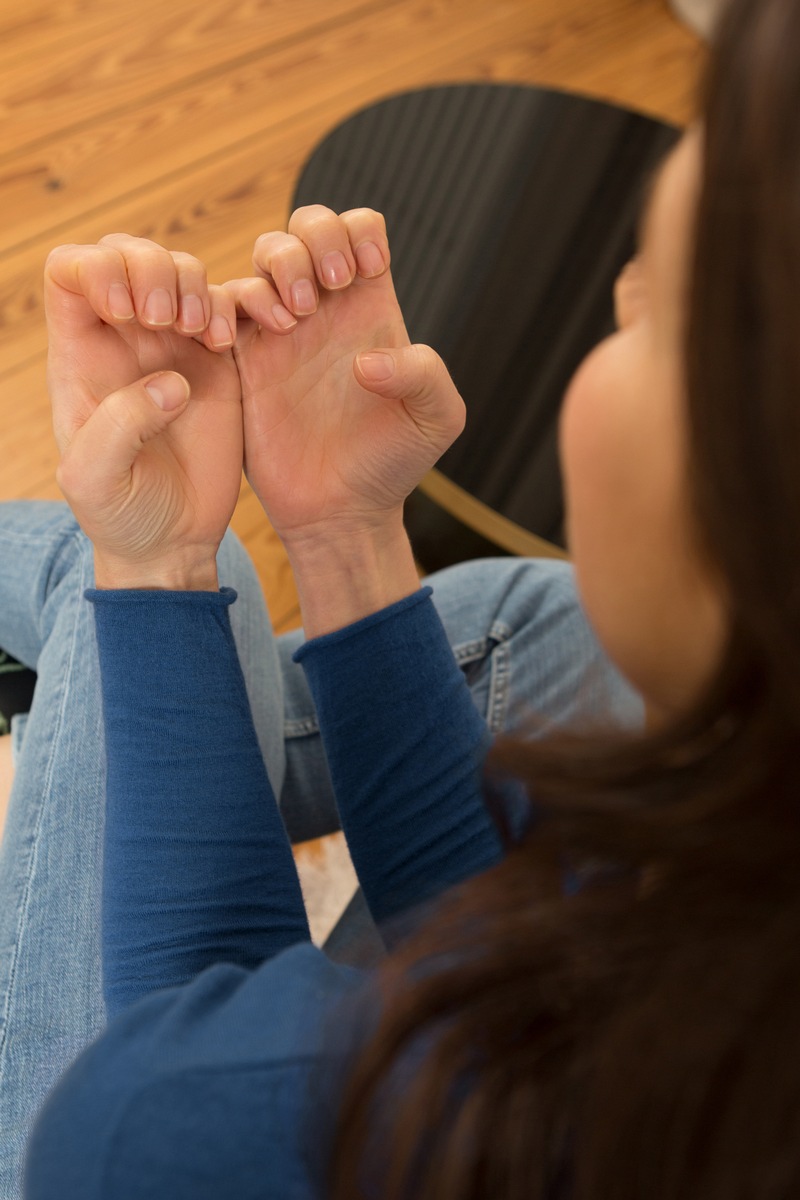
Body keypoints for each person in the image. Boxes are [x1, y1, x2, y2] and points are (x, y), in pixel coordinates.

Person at [5, 0, 800, 1194]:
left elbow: (171, 1082)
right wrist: (340, 533)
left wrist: (154, 567)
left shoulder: (188, 1124)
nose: (620, 304)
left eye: (653, 311)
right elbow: (491, 958)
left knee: (164, 583)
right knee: (545, 618)